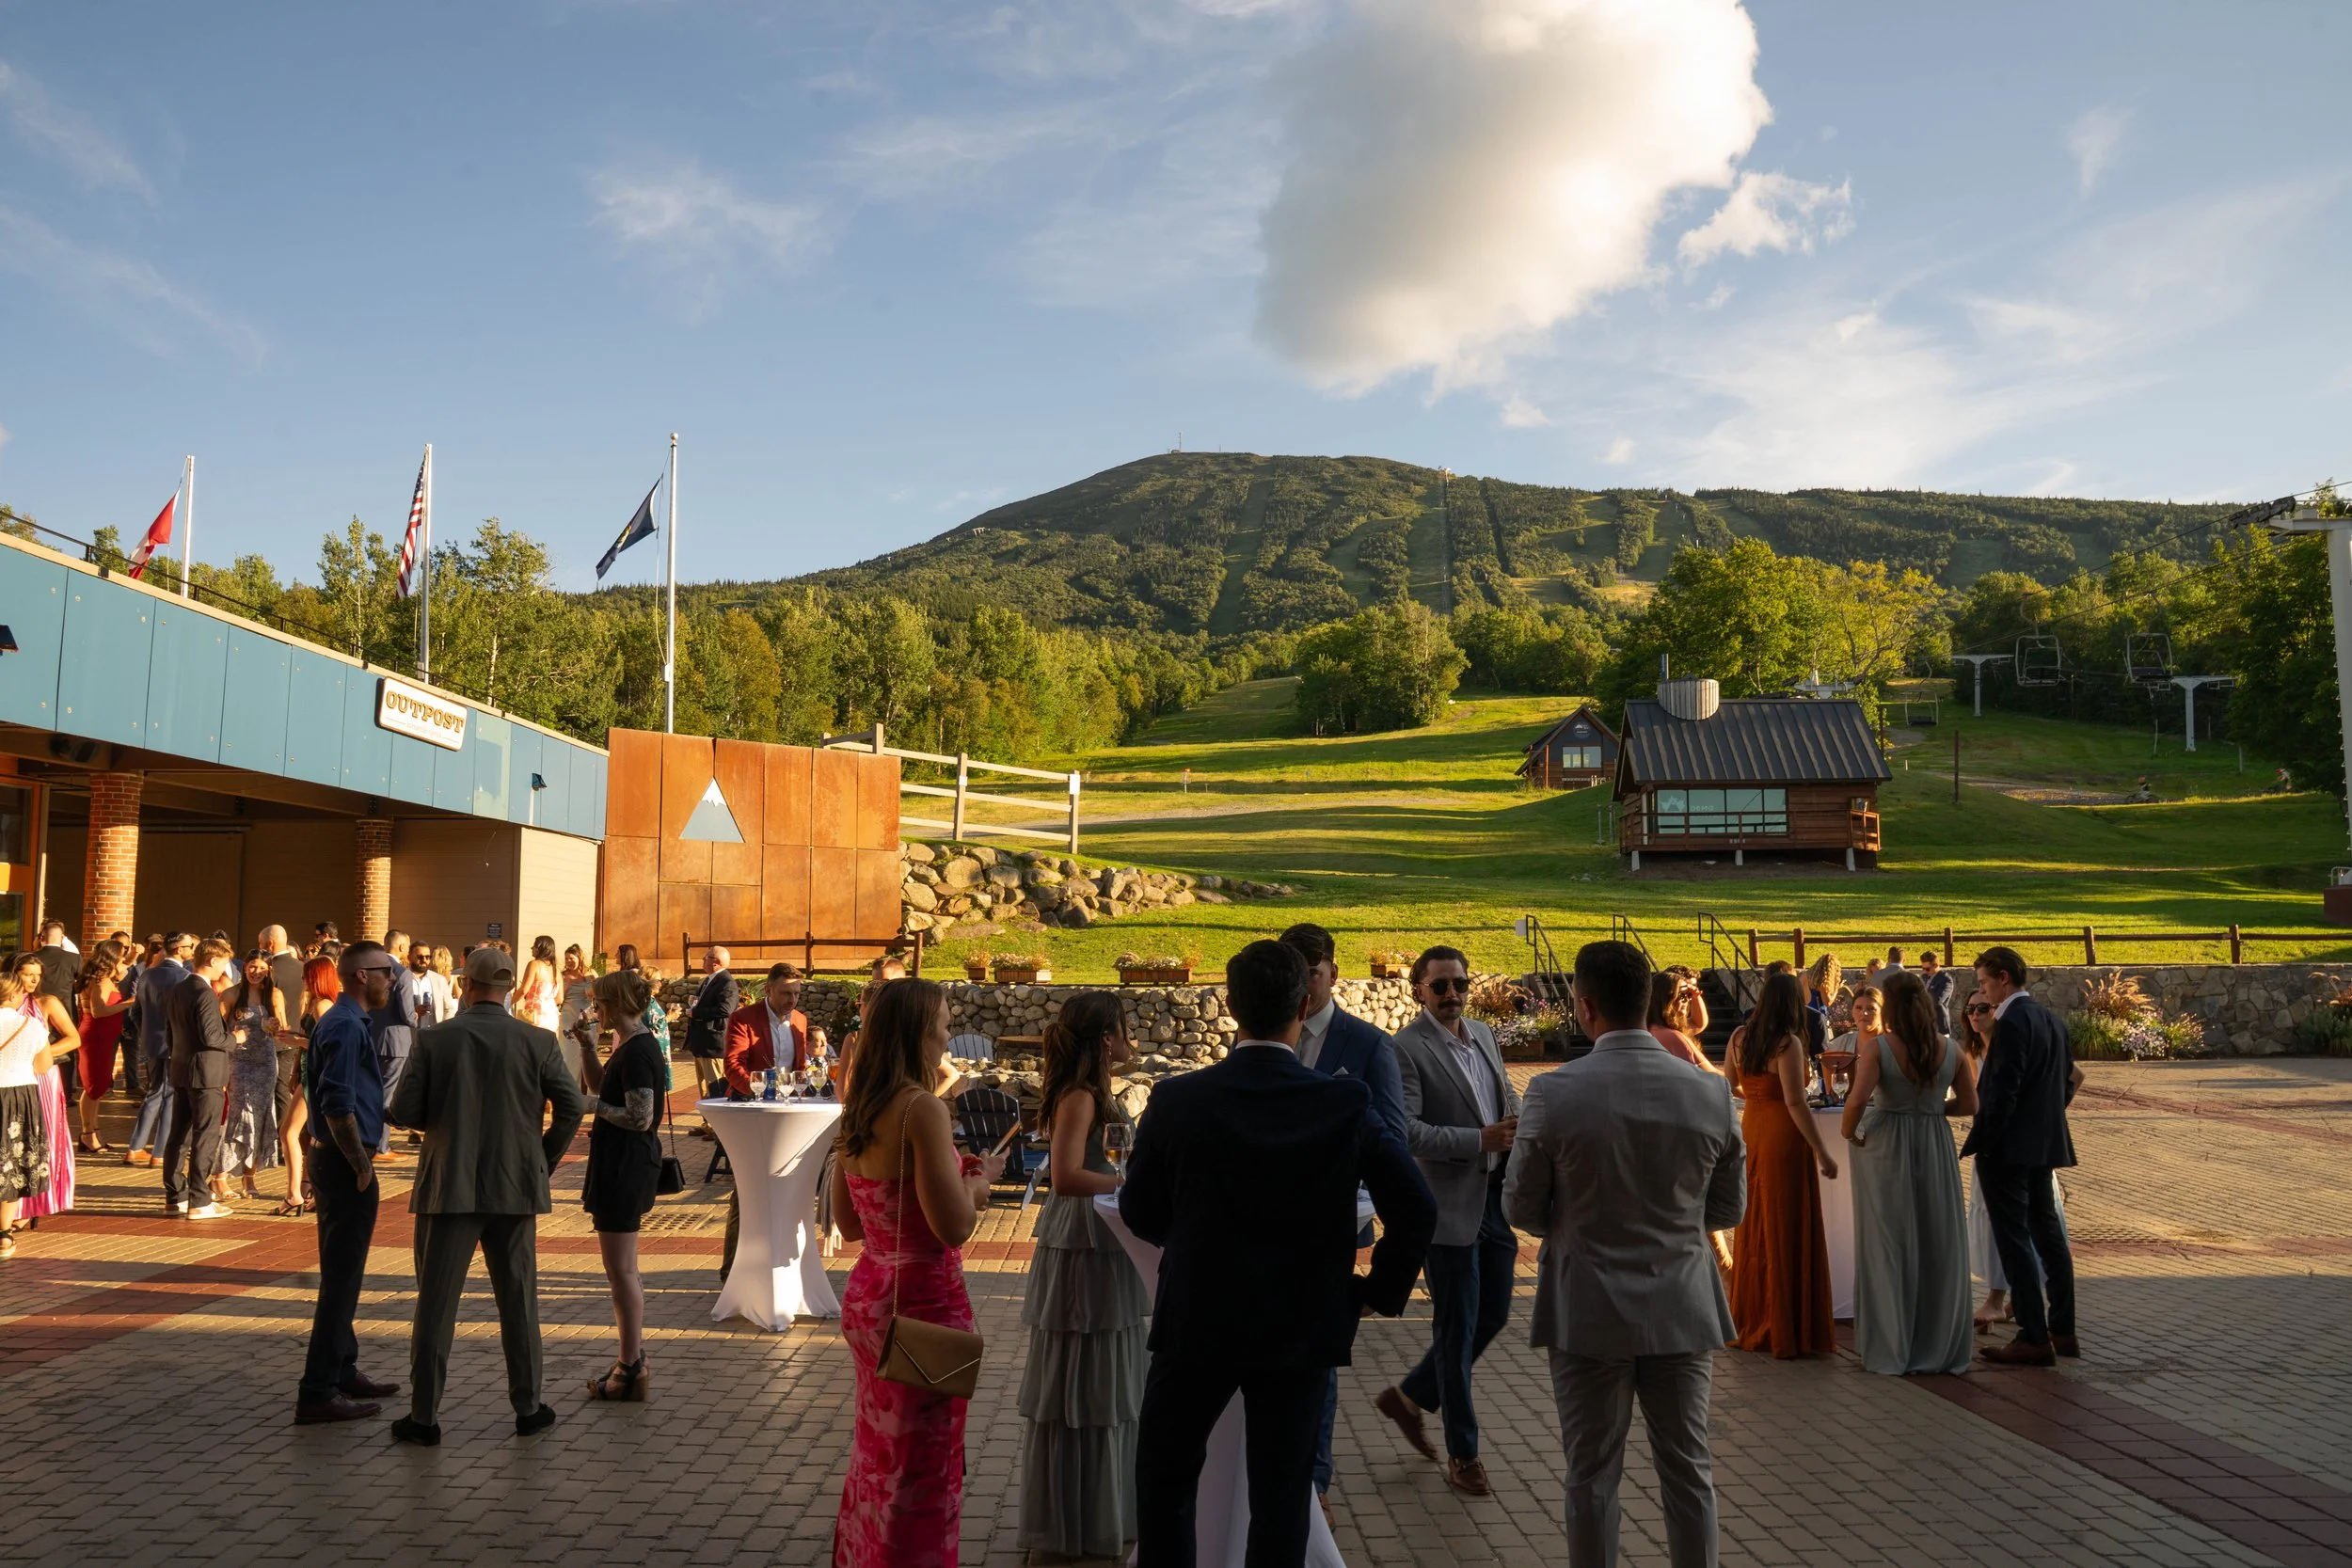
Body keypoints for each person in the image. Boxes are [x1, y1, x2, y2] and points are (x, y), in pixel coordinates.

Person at [1121, 941, 1433, 1567]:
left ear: (1230, 1004)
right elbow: (1417, 1207)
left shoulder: (1178, 1099)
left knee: (1165, 1481)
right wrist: (1370, 1292)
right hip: (1301, 1323)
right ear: (1304, 1004)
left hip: (1198, 1317)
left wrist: (1186, 1236)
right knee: (1282, 1496)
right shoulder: (1342, 1103)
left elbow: (1139, 1210)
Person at [1505, 940, 1744, 1568]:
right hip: (1681, 1299)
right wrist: (1674, 1223)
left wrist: (1573, 1223)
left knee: (1590, 1474)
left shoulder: (1553, 1092)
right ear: (1647, 1000)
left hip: (1586, 1302)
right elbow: (1728, 1208)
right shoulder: (1709, 1092)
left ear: (1585, 1007)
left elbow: (1520, 1207)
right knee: (1689, 1469)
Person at [829, 976, 1005, 1567]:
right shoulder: (921, 1108)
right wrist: (977, 1185)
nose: (949, 1038)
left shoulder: (860, 1104)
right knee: (925, 1469)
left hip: (869, 1295)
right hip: (924, 1303)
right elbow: (953, 1228)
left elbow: (849, 1224)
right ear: (919, 1033)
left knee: (879, 1458)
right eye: (945, 1026)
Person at [388, 944, 585, 1444]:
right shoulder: (537, 1041)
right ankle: (529, 1407)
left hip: (447, 1186)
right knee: (519, 1300)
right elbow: (572, 1106)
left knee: (436, 1304)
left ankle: (424, 1416)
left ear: (468, 987)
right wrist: (542, 1160)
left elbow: (405, 1111)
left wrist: (443, 1109)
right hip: (514, 1185)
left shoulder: (436, 1039)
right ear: (509, 989)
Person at [1375, 943, 1520, 1497]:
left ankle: (1409, 1396)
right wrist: (1478, 1140)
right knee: (1456, 1332)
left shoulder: (1482, 1034)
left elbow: (1505, 1095)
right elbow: (1408, 1131)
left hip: (1494, 1200)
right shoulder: (1406, 1048)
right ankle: (1464, 1454)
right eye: (1439, 986)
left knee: (1494, 1315)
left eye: (1459, 983)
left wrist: (1518, 1126)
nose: (1452, 994)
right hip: (1446, 1208)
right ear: (1419, 990)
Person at [1277, 920, 1407, 1507]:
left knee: (1318, 1359)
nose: (1304, 985)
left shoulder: (1368, 1044)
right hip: (1265, 1223)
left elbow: (1393, 1141)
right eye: (1295, 974)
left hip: (1334, 1223)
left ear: (1334, 973)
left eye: (1313, 973)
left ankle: (1316, 1485)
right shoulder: (1264, 1031)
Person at [1017, 991, 1148, 1560]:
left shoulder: (1096, 1092)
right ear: (1104, 1039)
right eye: (1123, 1028)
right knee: (1084, 1379)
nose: (1130, 1039)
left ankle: (1104, 1512)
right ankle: (1077, 1523)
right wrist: (1129, 1184)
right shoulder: (1080, 1097)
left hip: (1101, 1239)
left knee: (1106, 1380)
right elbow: (1066, 1176)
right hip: (1083, 1242)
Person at [1840, 972, 1977, 1376]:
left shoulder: (1879, 1048)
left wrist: (1849, 1133)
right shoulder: (1951, 1049)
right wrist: (1934, 1110)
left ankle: (1893, 1341)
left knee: (1890, 1241)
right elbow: (1971, 1104)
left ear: (1892, 1008)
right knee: (1937, 1238)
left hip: (1888, 1145)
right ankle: (1937, 1342)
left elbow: (1856, 1101)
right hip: (1934, 1143)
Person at [294, 941, 399, 1424]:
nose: (392, 980)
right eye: (386, 972)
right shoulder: (345, 1025)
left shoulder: (348, 1021)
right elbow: (337, 1104)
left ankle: (342, 1368)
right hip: (341, 1162)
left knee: (344, 1273)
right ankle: (318, 1390)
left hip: (335, 1159)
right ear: (361, 975)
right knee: (341, 1280)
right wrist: (360, 1164)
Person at [1962, 947, 2081, 1367]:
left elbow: (2002, 1091)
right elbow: (2066, 1080)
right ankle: (2063, 1329)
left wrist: (1986, 1141)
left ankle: (2033, 1334)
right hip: (2042, 1144)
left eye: (1984, 982)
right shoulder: (2051, 1020)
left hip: (2009, 1149)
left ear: (2004, 978)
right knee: (2048, 1237)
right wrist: (2044, 1118)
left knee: (2014, 1240)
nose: (1982, 991)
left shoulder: (2010, 1022)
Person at [1726, 972, 1837, 1357]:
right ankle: (1783, 1323)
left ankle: (1752, 1314)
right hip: (1782, 1133)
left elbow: (1731, 1083)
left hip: (1752, 1127)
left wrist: (1757, 1095)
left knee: (1756, 1218)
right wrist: (1822, 1151)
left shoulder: (1739, 1037)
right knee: (1784, 1221)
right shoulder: (1787, 1044)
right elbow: (1795, 1102)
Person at [579, 967, 667, 1402]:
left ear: (616, 1004)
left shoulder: (638, 1051)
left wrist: (590, 1106)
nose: (595, 1009)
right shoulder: (629, 1044)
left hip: (625, 1167)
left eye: (600, 1002)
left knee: (621, 1271)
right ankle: (631, 1360)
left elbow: (639, 1117)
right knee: (622, 1270)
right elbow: (602, 1087)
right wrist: (586, 1046)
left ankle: (630, 1363)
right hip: (620, 1164)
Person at [718, 963, 813, 1279]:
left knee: (785, 1190)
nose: (792, 1000)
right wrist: (760, 1090)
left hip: (787, 1117)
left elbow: (800, 1068)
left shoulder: (800, 1021)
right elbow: (733, 1064)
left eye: (796, 993)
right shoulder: (744, 1019)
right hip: (750, 1112)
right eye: (786, 993)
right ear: (768, 990)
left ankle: (776, 1266)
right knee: (747, 1190)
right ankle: (732, 1271)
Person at [161, 937, 237, 1221]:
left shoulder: (178, 989)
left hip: (182, 1069)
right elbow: (211, 1037)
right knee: (205, 1136)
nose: (224, 970)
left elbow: (170, 1032)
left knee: (178, 1136)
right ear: (212, 960)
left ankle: (175, 1197)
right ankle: (200, 1200)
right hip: (206, 1073)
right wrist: (236, 1039)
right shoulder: (204, 993)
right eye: (223, 964)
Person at [219, 949, 290, 1200]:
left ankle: (249, 1177)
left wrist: (275, 1027)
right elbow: (217, 1031)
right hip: (238, 1062)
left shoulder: (275, 994)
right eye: (252, 966)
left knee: (260, 1119)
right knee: (238, 1117)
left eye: (261, 968)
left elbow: (283, 1029)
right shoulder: (231, 994)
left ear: (269, 970)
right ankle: (220, 1177)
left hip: (266, 1063)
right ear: (244, 967)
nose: (256, 972)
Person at [0, 962, 57, 1259]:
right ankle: (3, 1234)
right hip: (19, 1094)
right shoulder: (31, 1025)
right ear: (13, 996)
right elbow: (44, 1065)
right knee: (12, 1162)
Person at [125, 932, 191, 1167]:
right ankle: (159, 1152)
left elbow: (135, 1012)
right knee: (170, 1096)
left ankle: (135, 1148)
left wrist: (146, 1033)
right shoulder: (185, 977)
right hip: (175, 1044)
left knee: (154, 1093)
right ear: (179, 950)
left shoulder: (147, 974)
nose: (192, 950)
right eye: (189, 946)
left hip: (152, 1043)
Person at [74, 941, 133, 1152]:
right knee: (93, 1087)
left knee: (97, 1088)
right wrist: (129, 1003)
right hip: (96, 1036)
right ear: (112, 957)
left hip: (102, 1036)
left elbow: (124, 969)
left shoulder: (102, 977)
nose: (123, 959)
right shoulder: (102, 981)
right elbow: (98, 1011)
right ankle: (87, 1133)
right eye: (122, 954)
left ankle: (93, 1131)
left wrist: (131, 960)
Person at [32, 921, 83, 1139]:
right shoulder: (72, 958)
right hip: (64, 1011)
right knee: (66, 1054)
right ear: (62, 938)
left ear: (42, 937)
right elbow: (81, 983)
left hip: (35, 1008)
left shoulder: (31, 958)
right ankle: (66, 1094)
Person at [683, 945, 741, 1102]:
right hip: (701, 1044)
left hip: (713, 1044)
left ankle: (716, 1118)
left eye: (706, 957)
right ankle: (706, 1117)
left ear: (717, 962)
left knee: (716, 1090)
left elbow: (725, 1009)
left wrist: (696, 1013)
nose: (703, 960)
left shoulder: (726, 982)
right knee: (704, 1091)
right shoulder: (710, 979)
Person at [1647, 971, 1718, 1073]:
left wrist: (1696, 996)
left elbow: (1698, 1023)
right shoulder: (1673, 1036)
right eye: (1682, 995)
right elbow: (1710, 1075)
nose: (1687, 1000)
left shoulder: (1652, 1028)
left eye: (1688, 995)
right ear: (1666, 998)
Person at [514, 935, 561, 1034]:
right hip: (552, 1017)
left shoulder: (534, 964)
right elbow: (559, 999)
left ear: (541, 948)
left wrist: (509, 1002)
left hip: (535, 1016)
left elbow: (523, 990)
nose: (532, 948)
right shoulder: (557, 971)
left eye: (534, 945)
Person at [407, 941, 457, 1026]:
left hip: (433, 1031)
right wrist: (413, 1012)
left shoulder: (439, 980)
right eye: (420, 957)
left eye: (427, 957)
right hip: (410, 1032)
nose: (424, 960)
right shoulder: (401, 978)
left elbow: (449, 1009)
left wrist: (442, 1028)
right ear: (409, 957)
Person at [1918, 949, 1954, 1037]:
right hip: (1924, 1024)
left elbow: (1937, 1000)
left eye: (1927, 969)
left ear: (1936, 965)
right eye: (1923, 968)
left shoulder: (1945, 980)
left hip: (1939, 1025)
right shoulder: (1924, 977)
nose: (1925, 971)